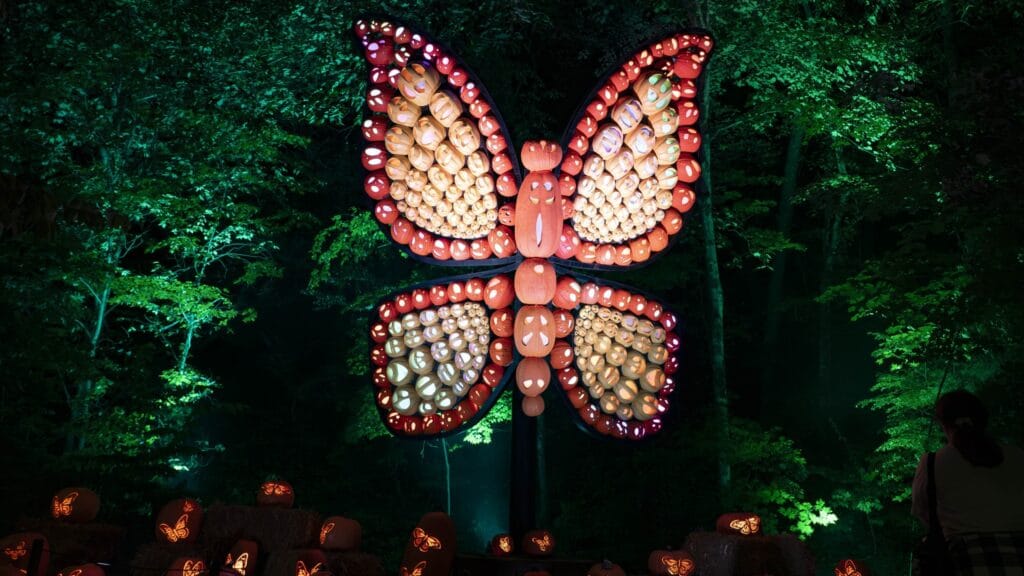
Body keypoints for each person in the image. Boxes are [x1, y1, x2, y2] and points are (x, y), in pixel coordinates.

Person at [912, 389, 1024, 574]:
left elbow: (923, 512)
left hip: (963, 558)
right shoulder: (1018, 456)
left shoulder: (932, 462)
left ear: (944, 424)